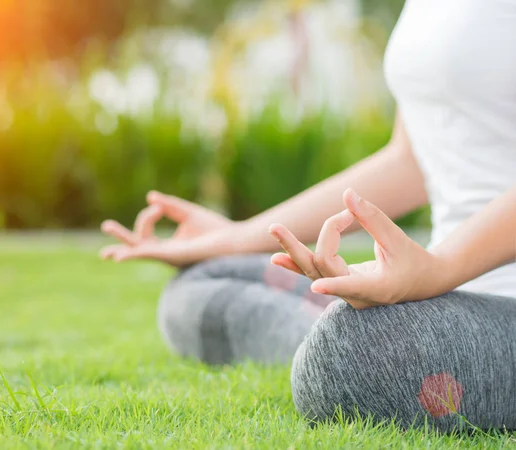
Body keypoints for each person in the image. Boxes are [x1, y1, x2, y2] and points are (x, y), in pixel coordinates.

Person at [99, 0, 516, 433]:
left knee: (353, 351)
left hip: (484, 294)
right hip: (442, 295)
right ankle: (331, 331)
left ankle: (336, 335)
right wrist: (238, 237)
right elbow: (409, 160)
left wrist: (437, 270)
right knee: (200, 280)